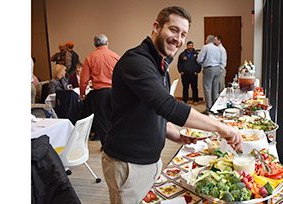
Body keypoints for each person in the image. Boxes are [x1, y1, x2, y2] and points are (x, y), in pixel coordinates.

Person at [102, 6, 242, 204]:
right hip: (128, 162)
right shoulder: (136, 61)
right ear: (156, 27)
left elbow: (153, 109)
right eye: (174, 30)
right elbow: (166, 105)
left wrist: (174, 134)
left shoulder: (159, 63)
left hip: (150, 159)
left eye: (183, 34)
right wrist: (221, 127)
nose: (179, 39)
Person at [80, 34, 120, 145]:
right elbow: (122, 75)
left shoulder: (90, 57)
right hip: (115, 91)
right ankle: (116, 143)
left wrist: (82, 93)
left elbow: (84, 79)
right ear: (107, 43)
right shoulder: (115, 56)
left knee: (102, 120)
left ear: (95, 44)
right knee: (115, 118)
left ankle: (106, 146)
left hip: (99, 93)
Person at [197, 35, 224, 112]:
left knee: (207, 88)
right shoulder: (218, 48)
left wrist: (201, 62)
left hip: (209, 68)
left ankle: (208, 108)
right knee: (215, 89)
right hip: (217, 68)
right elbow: (221, 60)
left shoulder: (206, 47)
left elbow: (199, 59)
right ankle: (215, 107)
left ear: (207, 40)